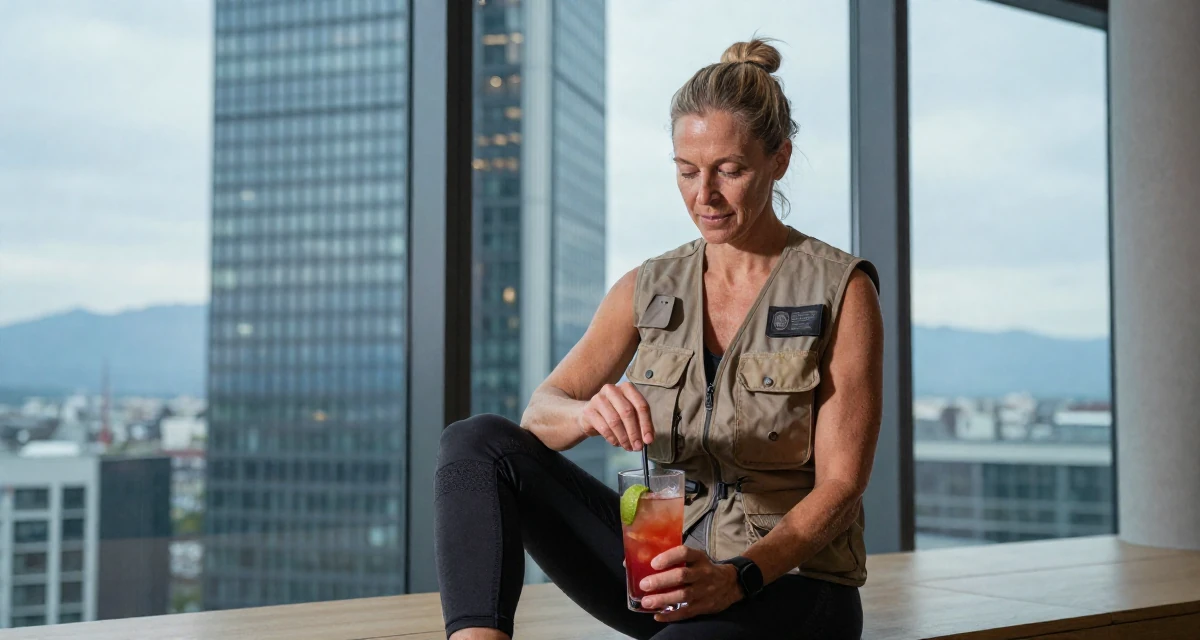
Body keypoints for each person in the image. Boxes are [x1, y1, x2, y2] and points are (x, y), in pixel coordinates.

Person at [434, 37, 883, 640]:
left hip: (787, 587)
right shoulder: (645, 287)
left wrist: (739, 576)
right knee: (476, 443)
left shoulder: (842, 290)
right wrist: (587, 413)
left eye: (730, 170)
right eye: (687, 171)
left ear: (779, 159)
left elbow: (842, 486)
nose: (705, 195)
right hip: (662, 569)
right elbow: (539, 414)